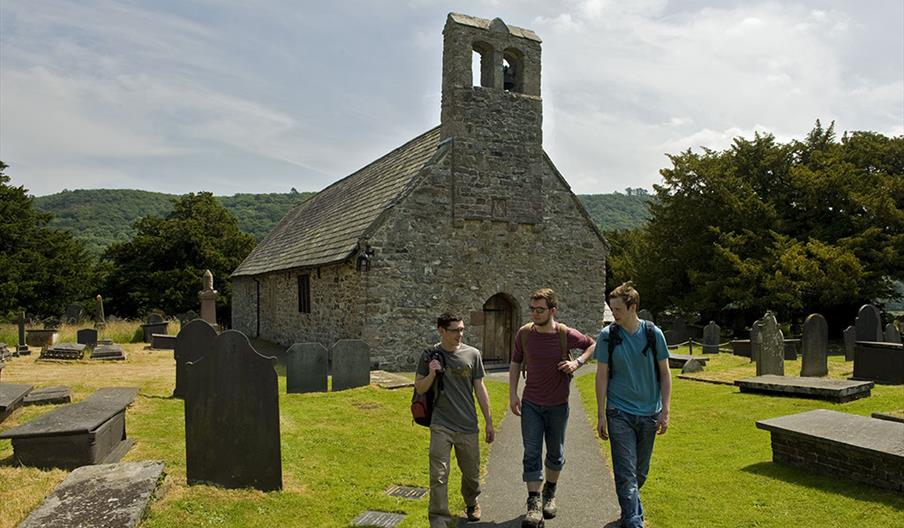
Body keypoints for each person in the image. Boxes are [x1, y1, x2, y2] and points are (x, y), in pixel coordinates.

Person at [509, 288, 596, 527]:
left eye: (540, 310)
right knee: (531, 452)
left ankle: (550, 492)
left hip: (558, 405)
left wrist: (577, 362)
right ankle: (534, 503)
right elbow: (515, 363)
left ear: (552, 310)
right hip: (531, 404)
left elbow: (592, 345)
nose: (535, 314)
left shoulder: (565, 334)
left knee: (556, 453)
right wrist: (512, 394)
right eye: (532, 309)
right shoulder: (524, 334)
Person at [595, 282, 671, 528]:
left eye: (618, 309)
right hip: (619, 412)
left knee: (640, 473)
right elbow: (601, 376)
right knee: (626, 472)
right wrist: (601, 414)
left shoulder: (653, 334)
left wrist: (665, 410)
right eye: (612, 309)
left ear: (633, 307)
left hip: (649, 413)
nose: (613, 314)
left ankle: (629, 512)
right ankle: (634, 521)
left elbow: (665, 374)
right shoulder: (607, 336)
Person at [415, 313, 495, 527]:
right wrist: (431, 374)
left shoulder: (473, 354)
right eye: (455, 330)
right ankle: (438, 518)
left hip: (468, 424)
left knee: (471, 473)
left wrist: (488, 421)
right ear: (441, 330)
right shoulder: (429, 355)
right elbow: (420, 388)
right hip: (441, 424)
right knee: (438, 474)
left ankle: (471, 502)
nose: (460, 334)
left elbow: (480, 388)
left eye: (461, 329)